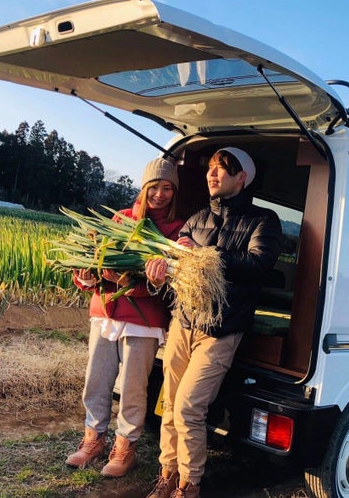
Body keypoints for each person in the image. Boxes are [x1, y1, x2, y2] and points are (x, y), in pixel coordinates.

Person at [144, 147, 282, 498]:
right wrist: (164, 269)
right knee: (171, 402)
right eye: (210, 168)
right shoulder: (196, 219)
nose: (212, 174)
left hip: (220, 330)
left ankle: (190, 484)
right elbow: (176, 264)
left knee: (189, 405)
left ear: (242, 178)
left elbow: (259, 263)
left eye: (223, 169)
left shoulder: (263, 221)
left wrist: (206, 255)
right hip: (183, 323)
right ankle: (167, 474)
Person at [65, 157, 184, 478]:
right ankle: (93, 440)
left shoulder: (176, 233)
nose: (159, 194)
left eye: (167, 188)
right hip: (105, 314)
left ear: (174, 192)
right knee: (96, 381)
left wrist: (137, 283)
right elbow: (93, 272)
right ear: (143, 187)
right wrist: (87, 275)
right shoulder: (120, 220)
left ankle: (125, 447)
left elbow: (170, 289)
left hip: (144, 322)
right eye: (154, 187)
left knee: (133, 388)